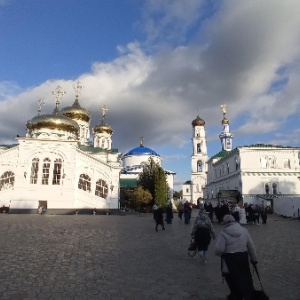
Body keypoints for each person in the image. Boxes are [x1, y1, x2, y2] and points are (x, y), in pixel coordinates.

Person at [215, 214, 258, 300]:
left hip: (229, 260)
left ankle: (237, 296)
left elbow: (219, 249)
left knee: (232, 281)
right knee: (245, 279)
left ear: (225, 222)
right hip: (243, 258)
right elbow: (251, 246)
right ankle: (247, 296)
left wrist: (220, 254)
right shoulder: (244, 230)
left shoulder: (223, 232)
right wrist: (254, 259)